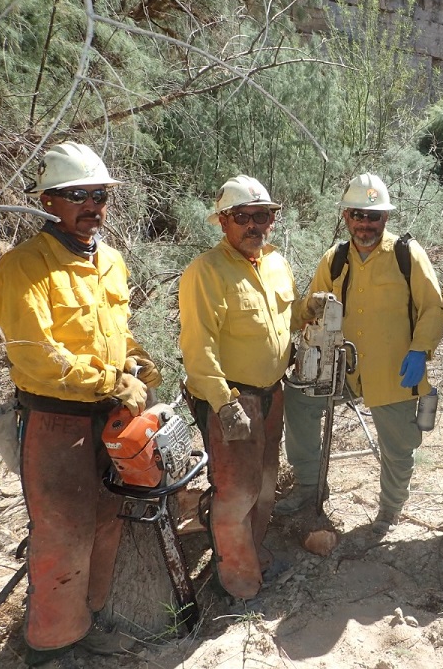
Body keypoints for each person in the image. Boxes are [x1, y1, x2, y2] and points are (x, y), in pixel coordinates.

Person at [0, 141, 158, 665]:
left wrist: (137, 360)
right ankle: (51, 644)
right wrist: (111, 380)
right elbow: (40, 358)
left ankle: (90, 621)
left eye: (99, 195)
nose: (92, 205)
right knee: (62, 530)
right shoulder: (24, 268)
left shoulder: (109, 261)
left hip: (109, 417)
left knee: (107, 518)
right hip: (56, 422)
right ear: (49, 202)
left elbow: (115, 332)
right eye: (77, 195)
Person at [275, 173, 443, 534]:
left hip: (394, 370)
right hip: (341, 368)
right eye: (358, 215)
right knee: (299, 401)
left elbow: (433, 307)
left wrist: (420, 351)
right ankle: (309, 485)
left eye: (374, 216)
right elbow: (308, 312)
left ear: (385, 218)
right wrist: (312, 306)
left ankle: (389, 511)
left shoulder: (406, 254)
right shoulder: (334, 259)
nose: (365, 224)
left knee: (398, 446)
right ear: (346, 217)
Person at [179, 175, 299, 601]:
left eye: (262, 216)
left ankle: (255, 554)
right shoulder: (206, 272)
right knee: (237, 492)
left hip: (272, 394)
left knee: (265, 483)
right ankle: (237, 584)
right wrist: (222, 402)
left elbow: (282, 320)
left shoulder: (276, 263)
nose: (254, 225)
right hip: (232, 399)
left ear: (272, 220)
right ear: (224, 222)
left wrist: (309, 310)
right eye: (242, 217)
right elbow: (198, 346)